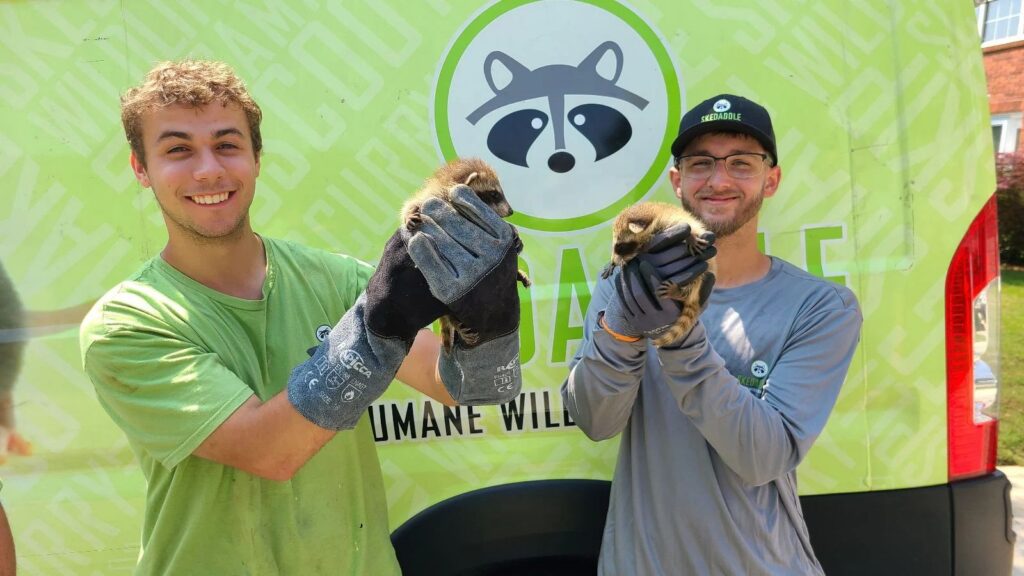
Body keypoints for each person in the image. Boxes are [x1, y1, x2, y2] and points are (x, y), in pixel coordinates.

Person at [79, 60, 522, 575]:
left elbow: (460, 389)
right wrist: (381, 324)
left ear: (256, 157)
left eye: (227, 144)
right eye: (178, 150)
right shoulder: (127, 322)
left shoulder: (334, 278)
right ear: (141, 169)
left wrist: (485, 318)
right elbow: (270, 452)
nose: (208, 170)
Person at [561, 94, 862, 575]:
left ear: (771, 180)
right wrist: (621, 327)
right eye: (701, 163)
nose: (719, 180)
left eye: (741, 163)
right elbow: (595, 420)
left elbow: (763, 457)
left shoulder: (821, 307)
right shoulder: (624, 285)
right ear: (677, 180)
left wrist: (678, 335)